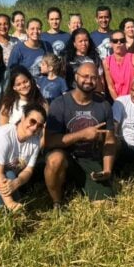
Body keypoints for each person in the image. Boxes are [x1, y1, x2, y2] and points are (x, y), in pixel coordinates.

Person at [44, 62, 116, 205]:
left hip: (90, 160)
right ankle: (57, 201)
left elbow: (110, 140)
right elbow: (50, 141)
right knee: (55, 159)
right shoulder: (60, 104)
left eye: (93, 77)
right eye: (85, 76)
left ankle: (82, 183)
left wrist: (107, 169)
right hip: (66, 157)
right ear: (76, 77)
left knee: (106, 205)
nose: (89, 80)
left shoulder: (104, 105)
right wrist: (82, 134)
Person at [103, 30, 134, 100]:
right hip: (116, 99)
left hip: (133, 99)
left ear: (125, 42)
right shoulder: (106, 62)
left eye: (122, 40)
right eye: (115, 41)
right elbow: (110, 86)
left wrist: (130, 102)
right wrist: (118, 102)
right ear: (111, 44)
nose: (119, 43)